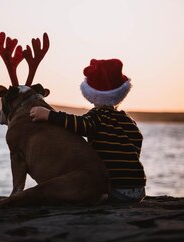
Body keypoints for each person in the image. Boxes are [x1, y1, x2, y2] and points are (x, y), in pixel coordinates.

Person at [30, 57, 146, 204]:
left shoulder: (97, 116)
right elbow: (137, 141)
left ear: (91, 94)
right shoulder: (129, 121)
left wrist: (48, 115)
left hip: (115, 189)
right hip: (139, 189)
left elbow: (80, 124)